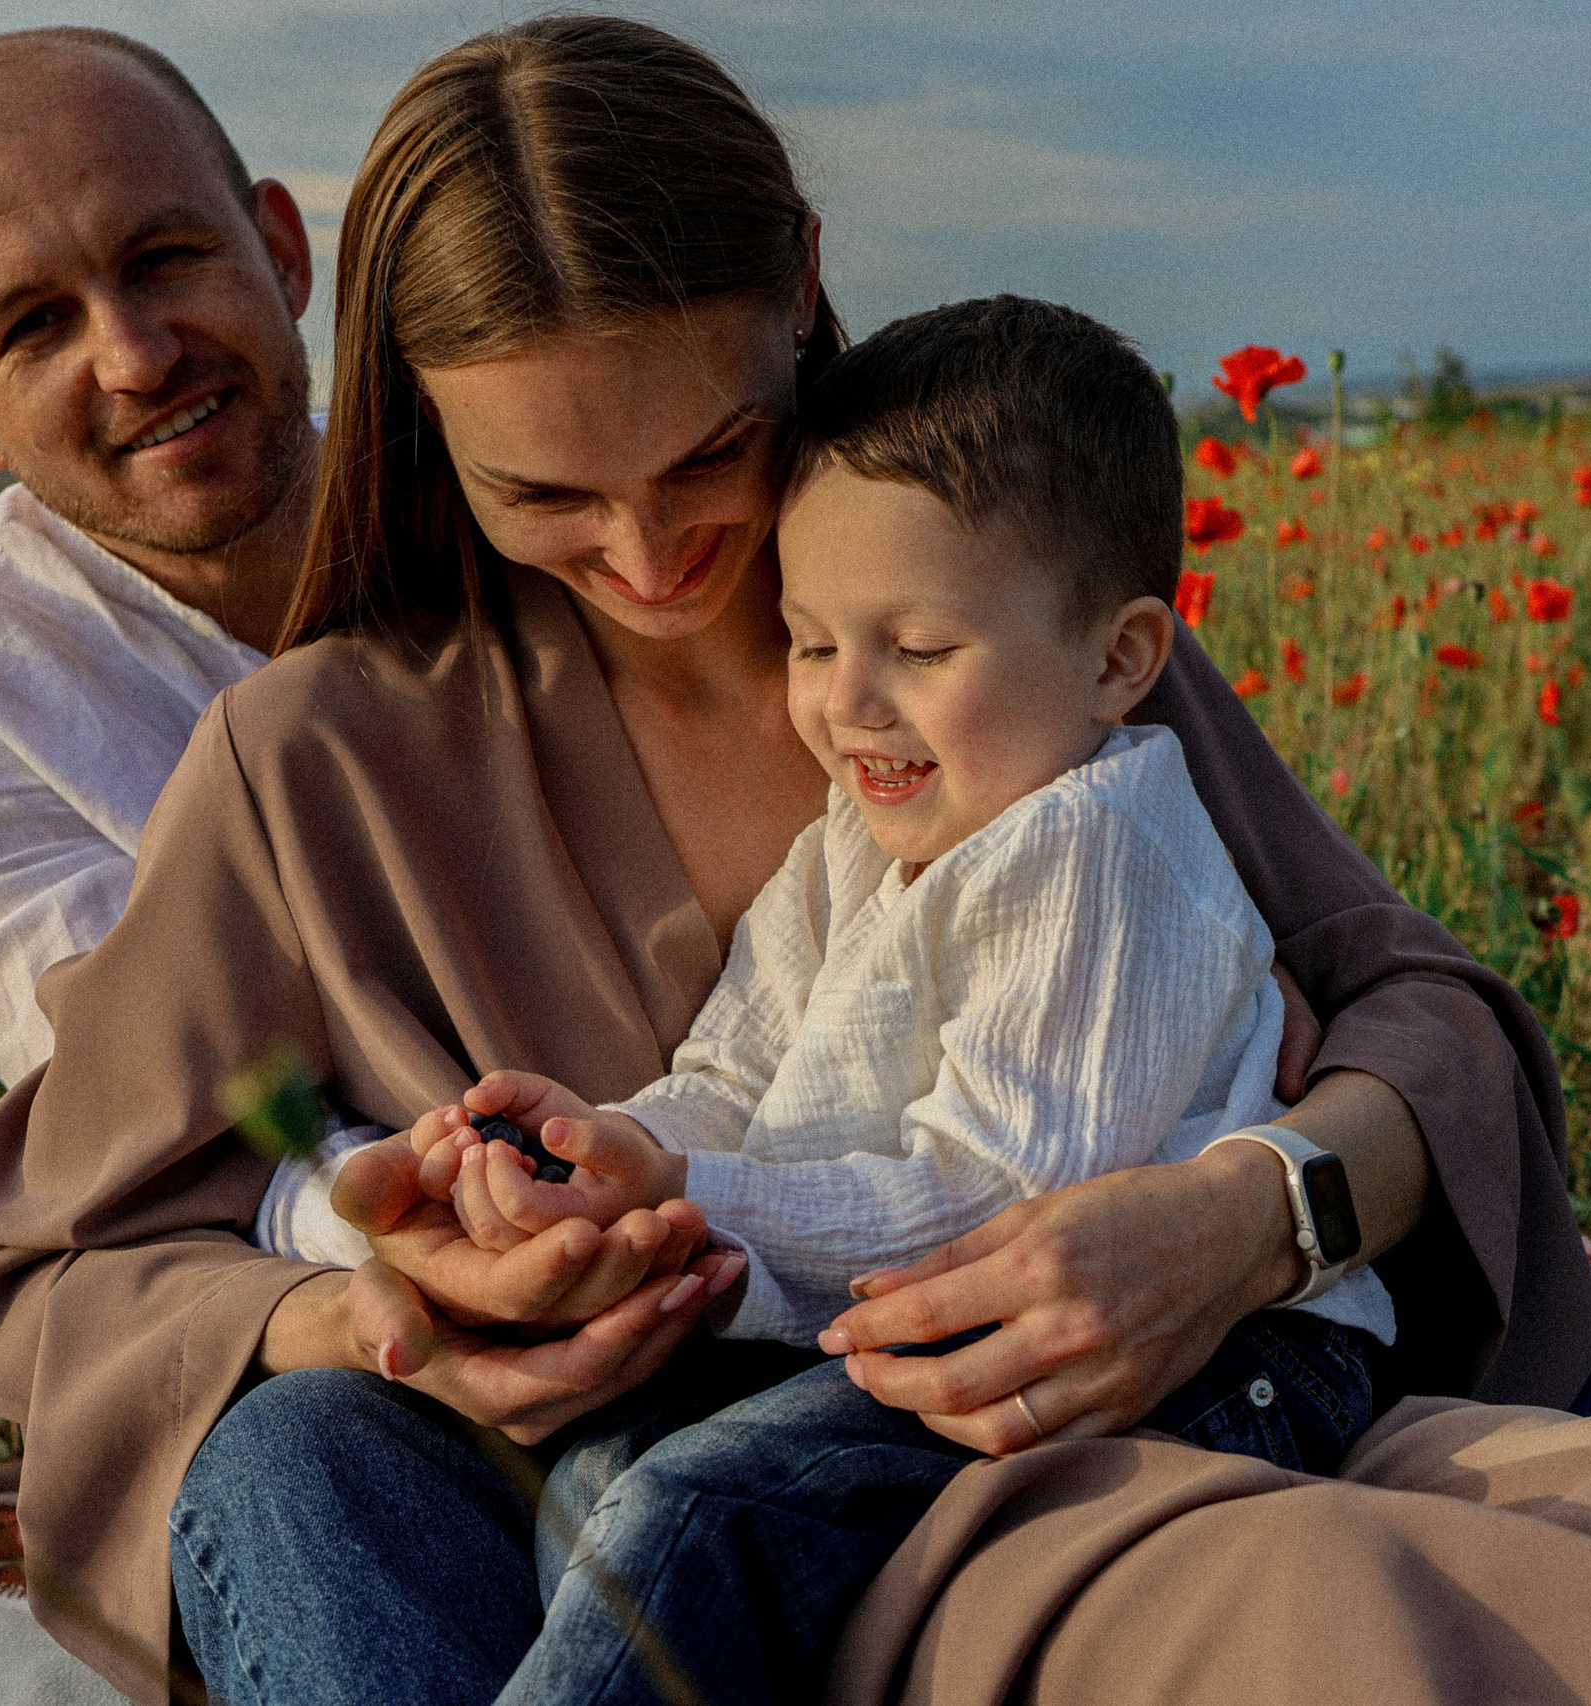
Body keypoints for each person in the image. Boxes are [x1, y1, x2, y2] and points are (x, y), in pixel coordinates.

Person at [0, 16, 1591, 1706]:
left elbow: (1419, 1018)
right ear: (423, 418)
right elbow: (45, 1261)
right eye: (549, 496)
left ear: (801, 293)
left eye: (712, 452)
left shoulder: (974, 616)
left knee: (1513, 1545)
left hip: (1075, 1428)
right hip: (633, 1508)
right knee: (304, 1464)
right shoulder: (313, 760)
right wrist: (388, 1301)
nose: (653, 557)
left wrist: (1240, 1210)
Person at [327, 295, 1395, 1704]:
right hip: (932, 1336)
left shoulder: (1091, 845)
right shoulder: (858, 837)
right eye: (813, 640)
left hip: (1215, 1359)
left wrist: (698, 1196)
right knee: (600, 1471)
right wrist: (607, 1156)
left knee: (691, 1513)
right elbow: (740, 1059)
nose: (850, 703)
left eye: (920, 647)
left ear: (1121, 658)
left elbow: (997, 1201)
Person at [0, 27, 319, 1088]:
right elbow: (177, 1117)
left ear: (282, 253)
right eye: (37, 324)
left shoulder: (524, 501)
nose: (137, 358)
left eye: (164, 261)